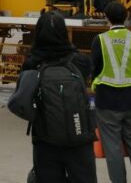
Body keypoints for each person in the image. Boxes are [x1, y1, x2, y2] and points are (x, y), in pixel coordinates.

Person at [22, 10, 96, 182]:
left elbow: (22, 99)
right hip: (79, 136)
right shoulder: (80, 61)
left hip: (45, 140)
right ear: (64, 32)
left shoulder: (32, 64)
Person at [91, 1, 131, 183]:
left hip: (107, 101)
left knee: (112, 147)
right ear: (125, 17)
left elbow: (95, 68)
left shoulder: (100, 40)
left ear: (106, 17)